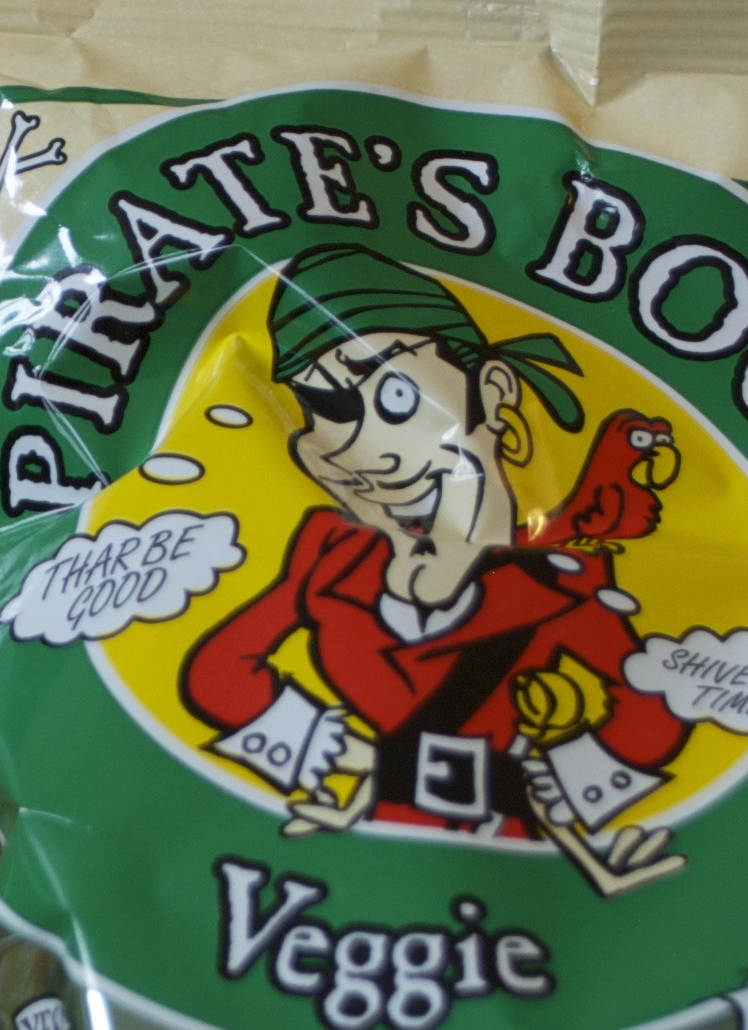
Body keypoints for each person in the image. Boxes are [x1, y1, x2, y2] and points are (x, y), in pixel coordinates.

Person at [178, 244, 689, 889]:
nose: (374, 453)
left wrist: (545, 784)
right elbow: (217, 671)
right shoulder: (331, 558)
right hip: (342, 867)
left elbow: (652, 709)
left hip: (516, 874)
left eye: (398, 396)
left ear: (493, 392)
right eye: (331, 412)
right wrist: (350, 756)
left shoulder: (560, 583)